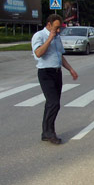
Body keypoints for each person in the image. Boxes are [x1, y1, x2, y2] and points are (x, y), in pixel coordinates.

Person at [31, 14, 78, 144]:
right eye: (56, 28)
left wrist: (71, 69)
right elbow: (38, 53)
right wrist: (49, 39)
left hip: (57, 72)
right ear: (49, 24)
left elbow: (60, 56)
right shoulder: (39, 36)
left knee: (52, 104)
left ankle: (45, 132)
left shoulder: (57, 37)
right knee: (53, 103)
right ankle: (50, 133)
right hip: (45, 73)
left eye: (59, 28)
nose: (58, 31)